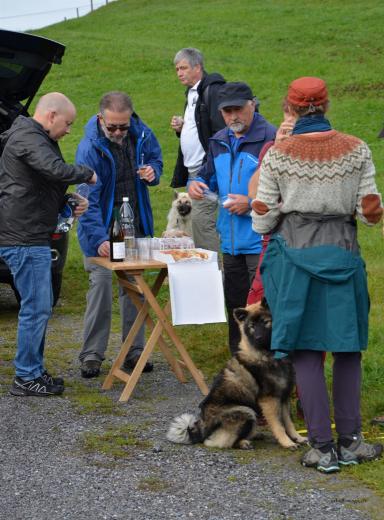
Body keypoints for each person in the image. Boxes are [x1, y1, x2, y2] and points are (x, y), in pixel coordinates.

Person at [252, 76, 383, 473]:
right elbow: (368, 212)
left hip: (294, 259)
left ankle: (322, 449)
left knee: (306, 351)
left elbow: (263, 220)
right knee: (346, 349)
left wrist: (270, 212)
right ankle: (351, 442)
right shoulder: (357, 149)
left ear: (289, 108)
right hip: (343, 254)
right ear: (326, 106)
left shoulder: (279, 153)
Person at [0, 92, 96, 397]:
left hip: (31, 234)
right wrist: (86, 173)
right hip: (24, 238)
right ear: (51, 115)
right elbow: (54, 170)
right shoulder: (27, 137)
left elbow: (39, 185)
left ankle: (34, 371)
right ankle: (26, 376)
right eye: (68, 123)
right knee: (36, 308)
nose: (69, 130)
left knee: (38, 307)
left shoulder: (32, 138)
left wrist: (66, 201)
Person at [76, 91, 162, 378]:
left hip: (132, 222)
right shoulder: (89, 147)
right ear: (101, 118)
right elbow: (87, 199)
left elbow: (156, 159)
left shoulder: (143, 133)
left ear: (131, 118)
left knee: (134, 287)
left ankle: (134, 352)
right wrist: (99, 239)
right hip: (99, 226)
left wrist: (153, 171)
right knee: (100, 284)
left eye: (122, 127)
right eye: (111, 126)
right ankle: (92, 355)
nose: (117, 132)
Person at [188, 82, 276, 354]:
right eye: (227, 112)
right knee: (236, 307)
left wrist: (250, 204)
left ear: (253, 104)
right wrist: (197, 183)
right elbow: (207, 174)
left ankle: (267, 365)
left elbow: (284, 192)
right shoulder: (219, 140)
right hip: (230, 241)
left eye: (238, 109)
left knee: (262, 309)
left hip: (261, 241)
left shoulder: (271, 139)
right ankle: (239, 362)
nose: (232, 117)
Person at [170, 47, 226, 252]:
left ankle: (214, 276)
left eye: (183, 68)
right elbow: (200, 127)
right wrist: (182, 128)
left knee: (202, 222)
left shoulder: (212, 90)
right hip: (194, 171)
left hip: (206, 171)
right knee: (198, 223)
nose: (179, 73)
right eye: (177, 69)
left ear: (198, 67)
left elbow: (220, 132)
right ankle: (212, 274)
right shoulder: (192, 93)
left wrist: (208, 168)